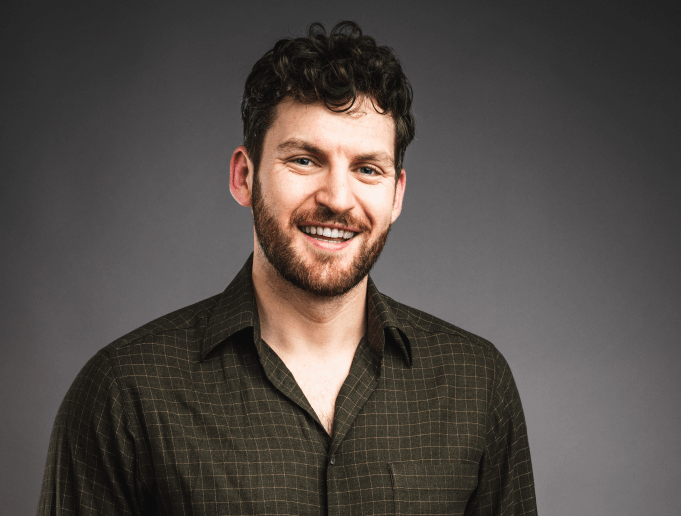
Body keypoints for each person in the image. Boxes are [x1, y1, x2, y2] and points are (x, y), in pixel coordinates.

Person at [38, 21, 537, 515]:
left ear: (397, 194)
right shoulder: (124, 393)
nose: (338, 199)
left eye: (367, 169)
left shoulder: (476, 382)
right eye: (304, 160)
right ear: (243, 176)